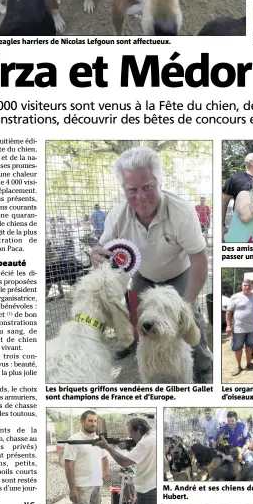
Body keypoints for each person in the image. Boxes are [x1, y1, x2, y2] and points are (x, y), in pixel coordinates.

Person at [91, 146, 212, 382]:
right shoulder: (116, 216)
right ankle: (132, 346)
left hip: (179, 271)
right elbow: (102, 250)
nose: (141, 196)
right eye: (132, 190)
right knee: (135, 316)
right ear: (123, 189)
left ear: (159, 182)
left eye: (147, 187)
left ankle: (203, 363)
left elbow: (199, 259)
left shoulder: (182, 212)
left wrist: (186, 301)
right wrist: (96, 256)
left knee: (191, 316)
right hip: (143, 275)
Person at [93, 417, 157, 504]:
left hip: (148, 490)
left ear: (139, 429)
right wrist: (129, 445)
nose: (130, 436)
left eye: (131, 432)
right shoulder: (152, 437)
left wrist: (108, 447)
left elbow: (124, 462)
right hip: (152, 486)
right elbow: (142, 453)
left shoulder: (145, 443)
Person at [64, 410, 109, 504]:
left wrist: (103, 475)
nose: (93, 423)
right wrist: (72, 489)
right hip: (82, 486)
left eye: (95, 421)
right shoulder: (74, 439)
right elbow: (69, 464)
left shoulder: (99, 439)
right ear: (82, 422)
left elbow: (105, 458)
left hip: (96, 485)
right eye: (90, 420)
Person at [222, 152, 253, 237]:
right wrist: (222, 225)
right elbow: (224, 202)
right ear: (251, 162)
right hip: (241, 225)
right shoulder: (235, 178)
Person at [226, 279, 253, 376]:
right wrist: (228, 325)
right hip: (238, 328)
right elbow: (229, 312)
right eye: (245, 285)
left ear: (252, 287)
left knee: (250, 346)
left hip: (252, 328)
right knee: (238, 347)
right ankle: (238, 366)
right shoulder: (235, 297)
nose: (247, 287)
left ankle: (249, 363)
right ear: (242, 286)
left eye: (249, 285)